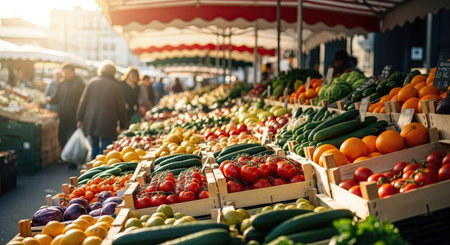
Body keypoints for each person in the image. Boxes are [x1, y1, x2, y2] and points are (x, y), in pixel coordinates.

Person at [77, 61, 128, 160]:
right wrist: (122, 125)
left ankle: (92, 170)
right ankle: (99, 171)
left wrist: (79, 118)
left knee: (94, 147)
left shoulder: (92, 82)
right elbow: (121, 108)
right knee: (105, 149)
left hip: (92, 120)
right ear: (114, 72)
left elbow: (83, 101)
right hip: (108, 122)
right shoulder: (116, 86)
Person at [48, 63, 85, 149]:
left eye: (68, 72)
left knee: (72, 137)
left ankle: (72, 158)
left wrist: (81, 116)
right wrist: (51, 100)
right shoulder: (61, 84)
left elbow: (83, 101)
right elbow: (56, 97)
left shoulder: (80, 84)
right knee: (61, 135)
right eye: (64, 72)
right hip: (63, 115)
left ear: (73, 72)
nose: (66, 74)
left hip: (74, 116)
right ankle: (64, 155)